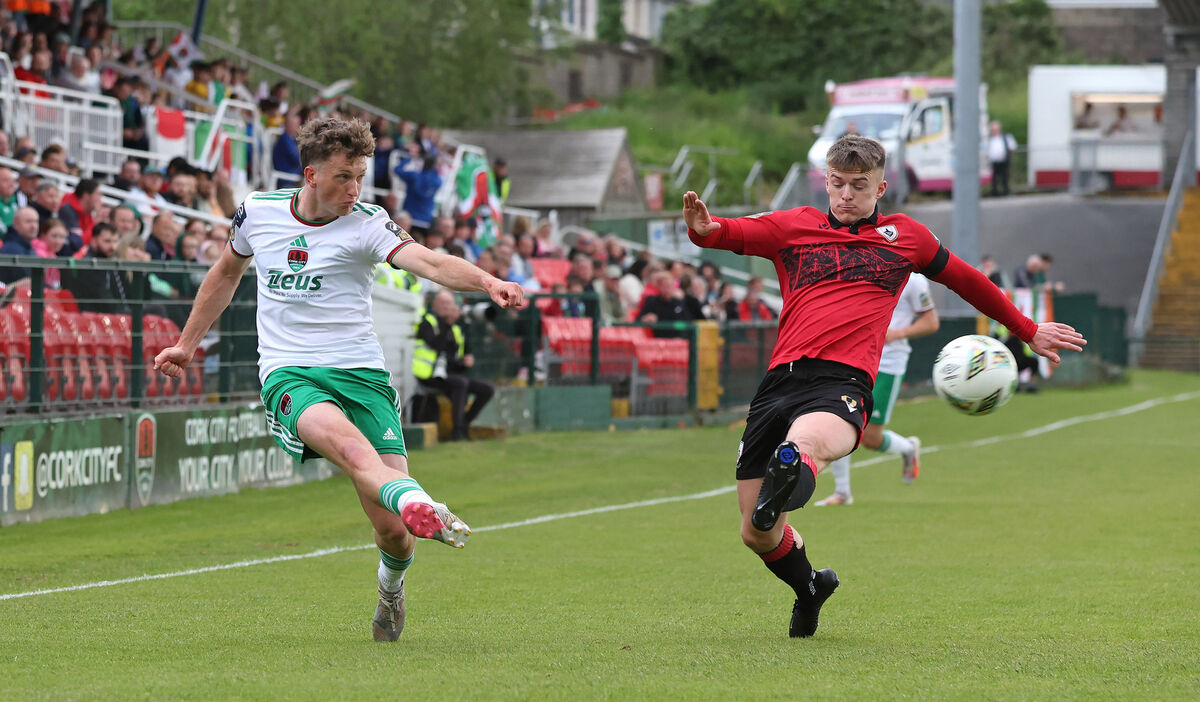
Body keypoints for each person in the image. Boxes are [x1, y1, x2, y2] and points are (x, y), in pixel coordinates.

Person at [681, 134, 1085, 639]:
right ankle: (810, 588)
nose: (846, 194)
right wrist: (704, 229)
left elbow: (967, 281)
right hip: (778, 383)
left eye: (859, 185)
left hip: (842, 380)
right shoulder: (793, 226)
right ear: (826, 181)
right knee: (755, 532)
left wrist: (1027, 329)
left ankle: (795, 464)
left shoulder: (906, 237)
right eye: (837, 184)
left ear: (880, 187)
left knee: (804, 444)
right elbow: (726, 232)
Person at [153, 116, 524, 643]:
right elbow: (226, 273)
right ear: (311, 175)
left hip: (362, 374)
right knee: (354, 454)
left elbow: (430, 263)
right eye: (343, 177)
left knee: (393, 534)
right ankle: (418, 502)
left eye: (360, 177)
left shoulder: (369, 222)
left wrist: (488, 281)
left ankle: (391, 588)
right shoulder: (257, 212)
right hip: (290, 372)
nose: (354, 189)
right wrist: (187, 343)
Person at [816, 272, 939, 506]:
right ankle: (842, 492)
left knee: (870, 438)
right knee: (839, 418)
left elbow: (931, 322)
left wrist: (897, 334)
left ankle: (907, 449)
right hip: (854, 357)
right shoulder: (863, 266)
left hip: (888, 363)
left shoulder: (914, 280)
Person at [413, 289, 496, 441]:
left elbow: (454, 360)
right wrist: (448, 324)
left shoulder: (456, 328)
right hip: (429, 375)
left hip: (449, 375)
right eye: (442, 303)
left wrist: (465, 362)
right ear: (435, 305)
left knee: (487, 389)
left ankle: (464, 424)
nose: (446, 307)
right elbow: (436, 345)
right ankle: (457, 433)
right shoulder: (427, 322)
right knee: (460, 383)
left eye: (449, 303)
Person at [393, 154, 442, 237]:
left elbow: (397, 170)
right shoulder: (438, 181)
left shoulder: (413, 176)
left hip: (408, 217)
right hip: (425, 218)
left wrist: (407, 159)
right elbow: (435, 175)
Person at [987, 121, 1018, 197]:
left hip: (1003, 160)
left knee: (1004, 176)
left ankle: (1005, 191)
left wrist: (1009, 155)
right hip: (994, 161)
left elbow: (1012, 146)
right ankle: (995, 192)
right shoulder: (990, 139)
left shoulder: (1005, 137)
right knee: (994, 178)